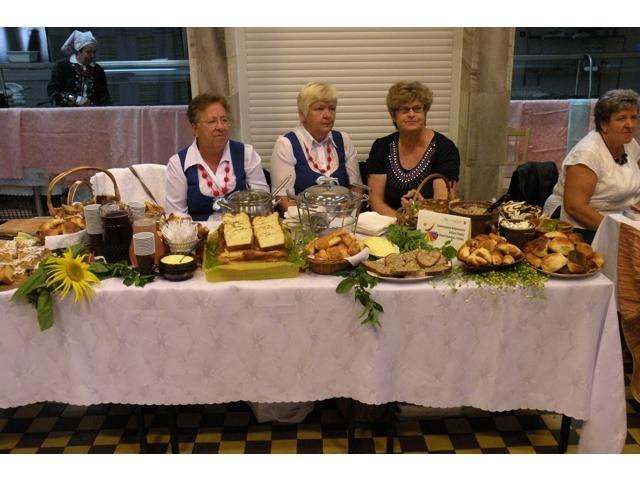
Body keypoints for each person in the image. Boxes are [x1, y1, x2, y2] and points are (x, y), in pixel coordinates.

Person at [543, 89, 640, 239]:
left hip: (620, 220)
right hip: (576, 226)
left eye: (634, 117)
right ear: (603, 124)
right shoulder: (588, 153)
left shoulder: (630, 144)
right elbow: (575, 207)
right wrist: (619, 232)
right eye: (621, 118)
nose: (630, 124)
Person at [165, 93, 269, 221]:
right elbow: (176, 217)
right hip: (198, 232)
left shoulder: (246, 154)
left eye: (224, 120)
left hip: (242, 230)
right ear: (195, 129)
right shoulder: (178, 164)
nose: (220, 127)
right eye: (212, 121)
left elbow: (263, 205)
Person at [365, 81, 460, 217]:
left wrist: (422, 209)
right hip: (389, 223)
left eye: (417, 109)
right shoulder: (381, 147)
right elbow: (376, 201)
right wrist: (402, 220)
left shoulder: (444, 148)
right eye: (404, 110)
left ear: (425, 112)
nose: (411, 114)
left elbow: (442, 201)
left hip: (430, 223)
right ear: (393, 116)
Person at [270, 81, 362, 210]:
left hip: (344, 218)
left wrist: (345, 215)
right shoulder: (286, 144)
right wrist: (317, 219)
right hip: (302, 220)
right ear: (302, 114)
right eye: (319, 108)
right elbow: (283, 199)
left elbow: (357, 188)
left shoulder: (344, 140)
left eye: (332, 108)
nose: (328, 115)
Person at [47, 30, 111, 107]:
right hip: (67, 111)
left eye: (94, 52)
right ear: (78, 51)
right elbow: (54, 92)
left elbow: (104, 96)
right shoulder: (62, 67)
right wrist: (76, 99)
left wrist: (108, 110)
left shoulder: (97, 70)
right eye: (88, 52)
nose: (92, 55)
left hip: (92, 111)